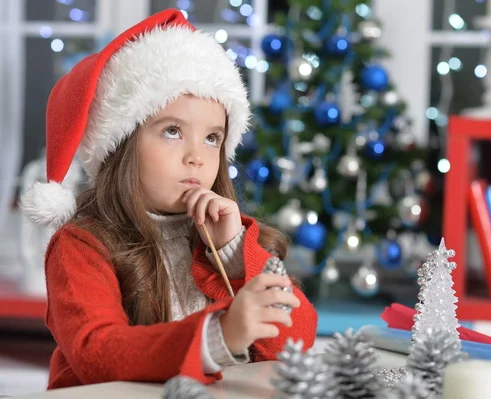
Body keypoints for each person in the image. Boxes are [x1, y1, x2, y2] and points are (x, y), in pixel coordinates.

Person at [20, 9, 317, 390]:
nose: (197, 155)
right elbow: (97, 352)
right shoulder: (81, 245)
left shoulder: (229, 237)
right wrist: (219, 335)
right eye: (173, 131)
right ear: (121, 146)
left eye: (212, 138)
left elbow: (296, 341)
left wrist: (233, 253)